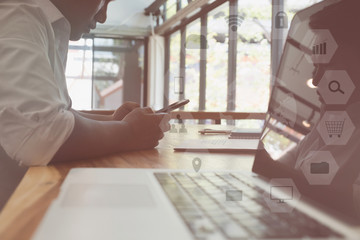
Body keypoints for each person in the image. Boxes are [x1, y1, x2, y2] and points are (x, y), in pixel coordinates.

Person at [0, 0, 170, 210]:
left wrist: (113, 121)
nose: (103, 16)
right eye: (104, 2)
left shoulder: (39, 21)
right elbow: (41, 135)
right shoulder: (18, 16)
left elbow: (57, 114)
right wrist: (129, 131)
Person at [254, 0, 360, 219]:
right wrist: (260, 160)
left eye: (328, 65)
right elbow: (287, 167)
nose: (316, 80)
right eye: (315, 66)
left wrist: (267, 167)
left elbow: (353, 207)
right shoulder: (333, 119)